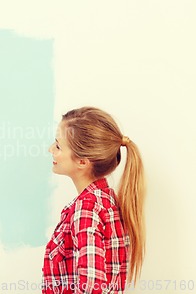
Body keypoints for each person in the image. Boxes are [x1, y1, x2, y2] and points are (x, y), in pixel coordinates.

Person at [42, 107, 146, 293]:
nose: (51, 149)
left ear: (82, 162)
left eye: (58, 146)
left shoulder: (88, 208)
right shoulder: (105, 200)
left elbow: (92, 287)